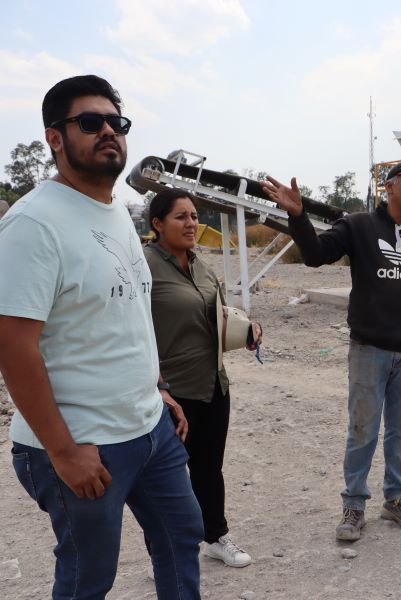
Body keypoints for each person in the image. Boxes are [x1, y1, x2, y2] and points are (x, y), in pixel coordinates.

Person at [0, 75, 203, 598]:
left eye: (117, 122)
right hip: (83, 442)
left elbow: (127, 314)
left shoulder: (114, 211)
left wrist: (156, 389)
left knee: (182, 539)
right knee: (88, 577)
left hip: (150, 430)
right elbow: (13, 347)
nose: (108, 131)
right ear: (55, 137)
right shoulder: (33, 224)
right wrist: (65, 452)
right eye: (90, 122)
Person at [261, 161, 401, 542]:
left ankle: (396, 498)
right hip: (370, 349)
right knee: (362, 430)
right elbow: (315, 254)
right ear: (389, 188)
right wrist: (298, 216)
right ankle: (354, 505)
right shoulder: (359, 226)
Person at [144, 188, 262, 568]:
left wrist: (246, 329)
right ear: (157, 224)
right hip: (171, 393)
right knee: (166, 479)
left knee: (209, 470)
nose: (191, 223)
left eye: (194, 216)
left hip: (213, 386)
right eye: (181, 217)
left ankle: (215, 537)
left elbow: (220, 314)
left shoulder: (202, 265)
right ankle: (164, 553)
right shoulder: (142, 266)